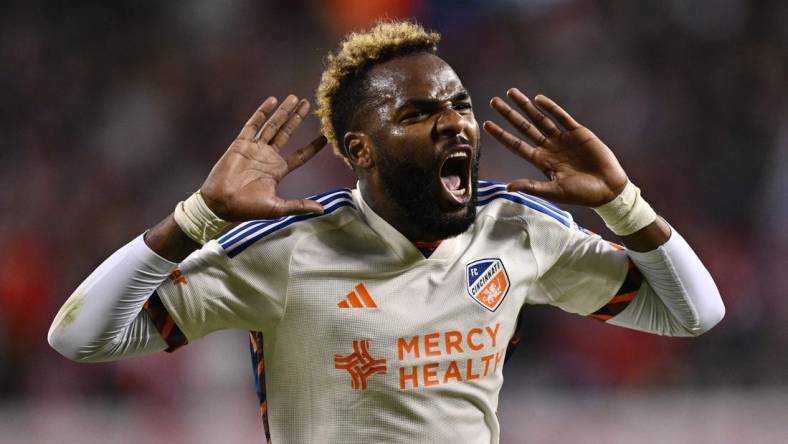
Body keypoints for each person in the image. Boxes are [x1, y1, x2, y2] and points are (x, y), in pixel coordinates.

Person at [48, 21, 724, 443]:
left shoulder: (518, 231)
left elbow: (695, 313)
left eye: (459, 104)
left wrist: (625, 205)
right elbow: (79, 337)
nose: (454, 122)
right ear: (360, 150)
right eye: (419, 112)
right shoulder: (286, 250)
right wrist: (197, 218)